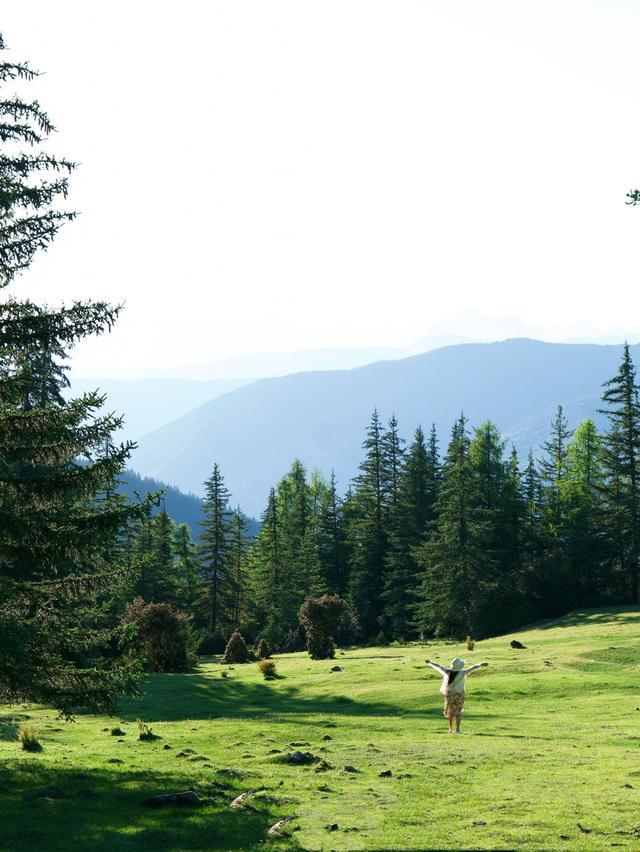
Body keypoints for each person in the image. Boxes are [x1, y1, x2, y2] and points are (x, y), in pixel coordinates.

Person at [426, 657, 489, 734]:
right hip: (459, 695)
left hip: (449, 695)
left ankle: (450, 729)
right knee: (458, 712)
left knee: (451, 712)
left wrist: (430, 662)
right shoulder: (463, 672)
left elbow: (438, 666)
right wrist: (480, 664)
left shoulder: (447, 672)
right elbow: (472, 667)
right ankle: (458, 730)